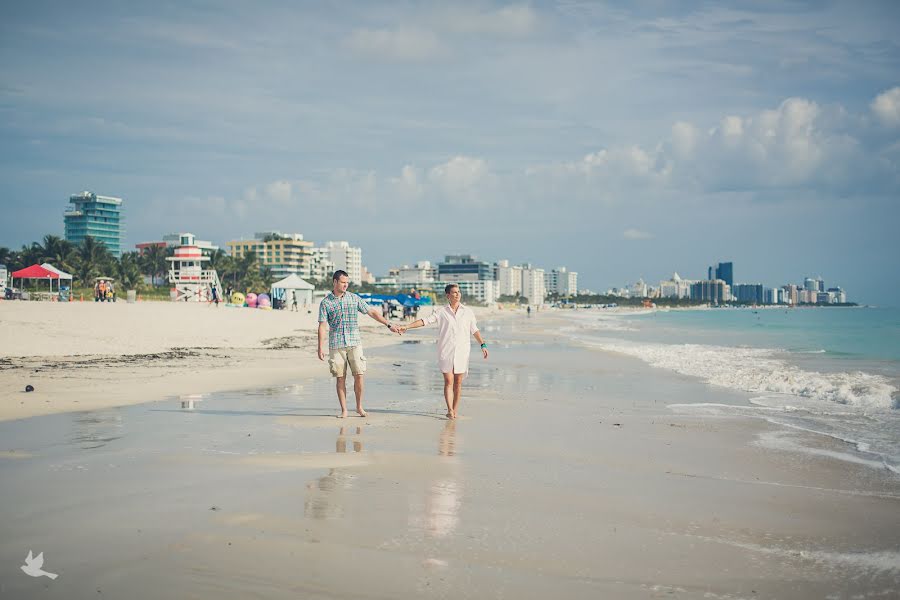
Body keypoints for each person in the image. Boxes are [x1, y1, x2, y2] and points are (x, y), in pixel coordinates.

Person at [318, 270, 401, 418]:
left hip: (355, 342)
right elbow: (322, 326)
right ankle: (344, 410)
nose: (345, 285)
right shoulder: (326, 303)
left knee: (359, 375)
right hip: (336, 344)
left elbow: (372, 312)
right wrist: (320, 347)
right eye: (343, 282)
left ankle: (359, 407)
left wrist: (389, 324)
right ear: (335, 282)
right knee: (340, 377)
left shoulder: (354, 298)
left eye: (347, 282)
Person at [400, 283, 488, 419]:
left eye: (458, 292)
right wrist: (407, 326)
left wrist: (483, 344)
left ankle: (455, 410)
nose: (457, 294)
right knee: (448, 381)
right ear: (448, 295)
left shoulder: (468, 312)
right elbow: (425, 321)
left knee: (458, 382)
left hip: (462, 351)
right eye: (454, 292)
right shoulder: (441, 312)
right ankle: (450, 410)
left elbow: (474, 330)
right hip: (446, 350)